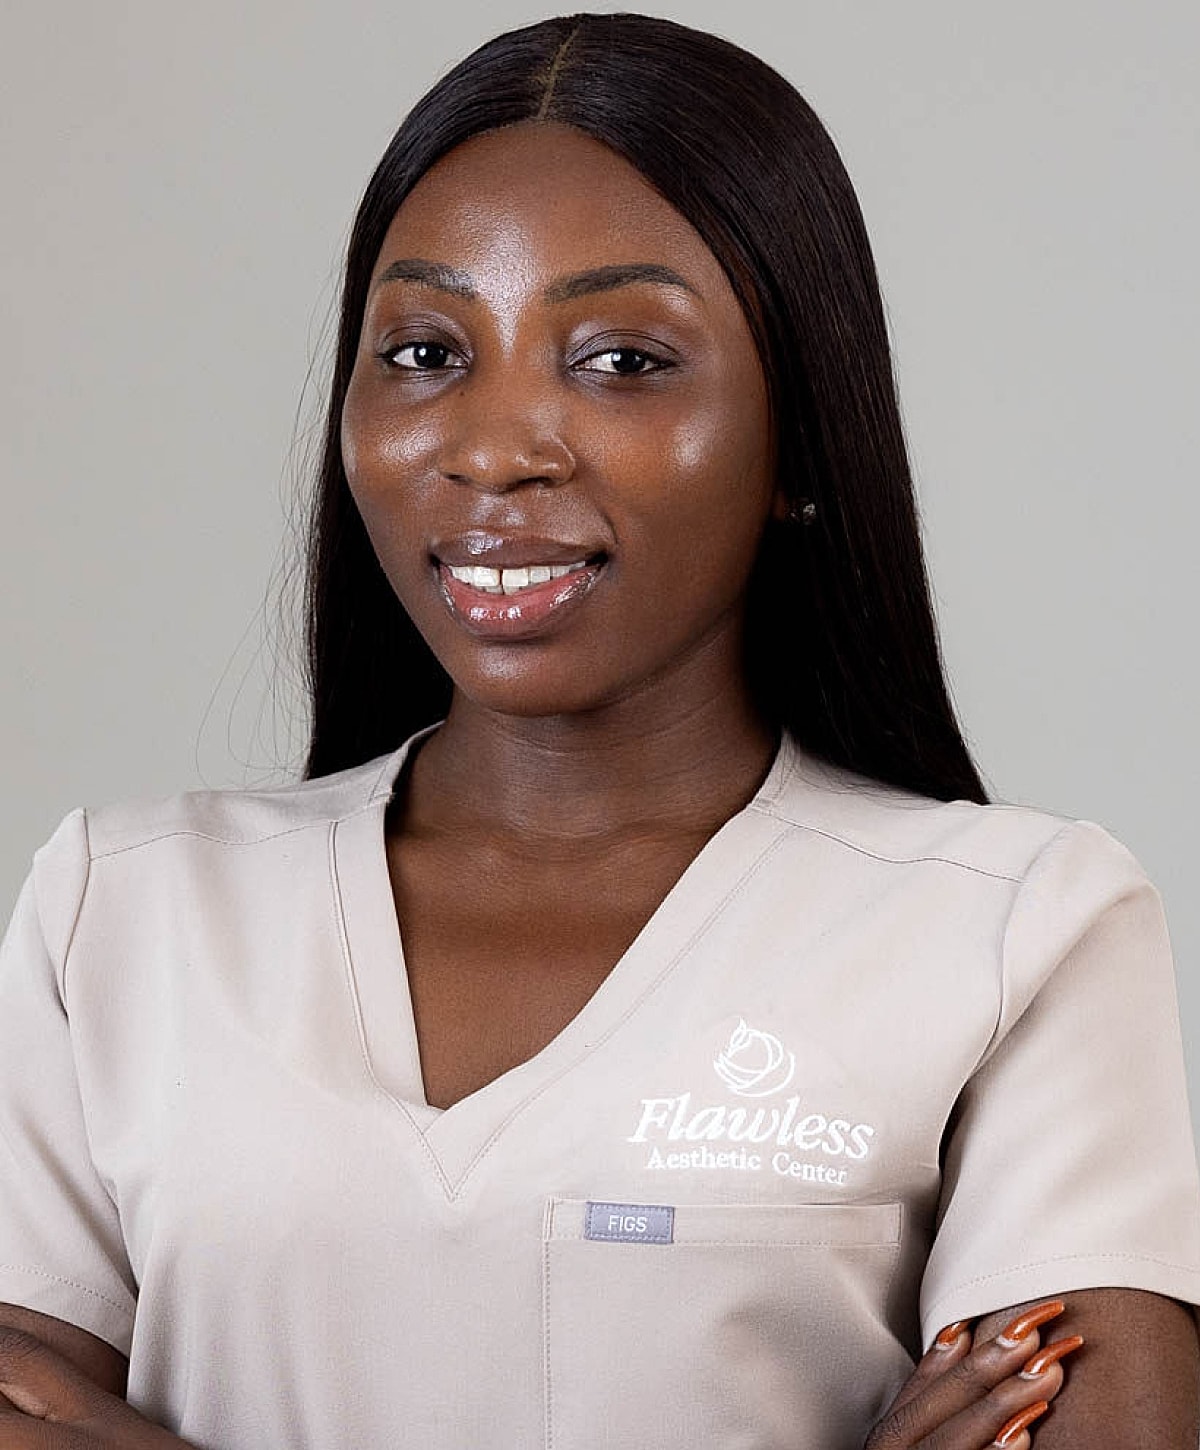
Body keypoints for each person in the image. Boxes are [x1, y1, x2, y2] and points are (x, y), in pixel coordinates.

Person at [1, 12, 1198, 1449]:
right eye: (429, 349)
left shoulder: (1019, 930)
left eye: (625, 359)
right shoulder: (118, 914)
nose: (496, 444)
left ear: (797, 442)